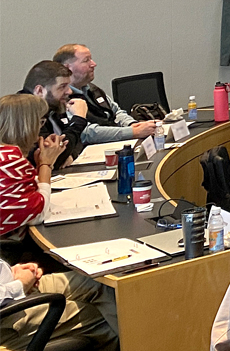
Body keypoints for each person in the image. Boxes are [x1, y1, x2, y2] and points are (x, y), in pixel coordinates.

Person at [1, 257, 120, 351]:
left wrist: (11, 271)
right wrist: (21, 283)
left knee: (100, 284)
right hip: (6, 313)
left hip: (8, 287)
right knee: (102, 320)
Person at [54, 44, 156, 144]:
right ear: (67, 68)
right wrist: (133, 132)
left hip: (116, 142)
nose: (93, 64)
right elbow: (87, 133)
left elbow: (116, 112)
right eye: (86, 60)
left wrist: (132, 124)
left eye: (91, 59)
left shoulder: (93, 89)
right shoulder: (62, 98)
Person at [0, 94, 67, 236]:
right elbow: (37, 213)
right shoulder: (8, 160)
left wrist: (39, 167)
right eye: (41, 122)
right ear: (27, 126)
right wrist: (46, 165)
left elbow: (26, 193)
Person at [19, 61, 87, 169]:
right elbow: (50, 158)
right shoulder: (24, 114)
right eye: (62, 86)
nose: (69, 91)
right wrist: (78, 119)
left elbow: (77, 142)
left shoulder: (53, 104)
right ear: (40, 90)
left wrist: (71, 155)